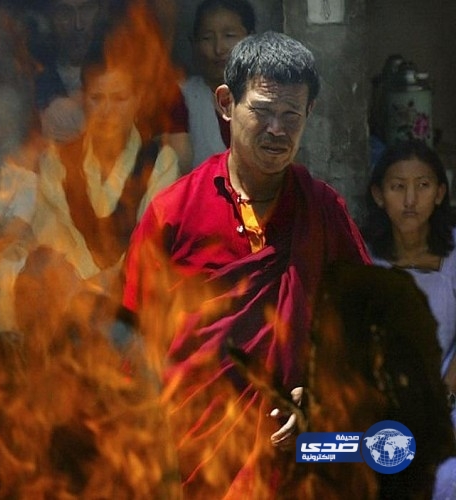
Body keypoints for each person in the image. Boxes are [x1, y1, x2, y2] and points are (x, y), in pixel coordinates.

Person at [121, 31, 371, 497]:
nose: (277, 129)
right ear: (226, 103)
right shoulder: (173, 213)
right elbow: (137, 348)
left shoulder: (322, 210)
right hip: (198, 461)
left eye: (291, 115)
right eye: (261, 110)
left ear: (309, 115)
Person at [15, 27, 179, 338]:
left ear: (138, 99)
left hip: (131, 306)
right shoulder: (58, 161)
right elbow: (52, 236)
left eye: (119, 98)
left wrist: (104, 286)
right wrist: (80, 288)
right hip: (68, 301)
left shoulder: (160, 160)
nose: (106, 111)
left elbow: (151, 246)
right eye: (96, 98)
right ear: (83, 97)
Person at [362, 139, 456, 499]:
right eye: (398, 187)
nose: (411, 200)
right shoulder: (363, 257)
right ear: (378, 194)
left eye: (423, 185)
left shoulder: (453, 255)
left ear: (440, 192)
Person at [31, 0, 193, 170]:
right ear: (50, 16)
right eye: (65, 12)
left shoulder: (156, 83)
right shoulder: (34, 84)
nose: (77, 24)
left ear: (102, 9)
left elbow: (180, 164)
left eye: (86, 9)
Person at [180, 0, 255, 171]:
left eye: (229, 36)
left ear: (250, 39)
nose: (218, 48)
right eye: (207, 38)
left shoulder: (267, 93)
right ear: (194, 44)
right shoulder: (181, 97)